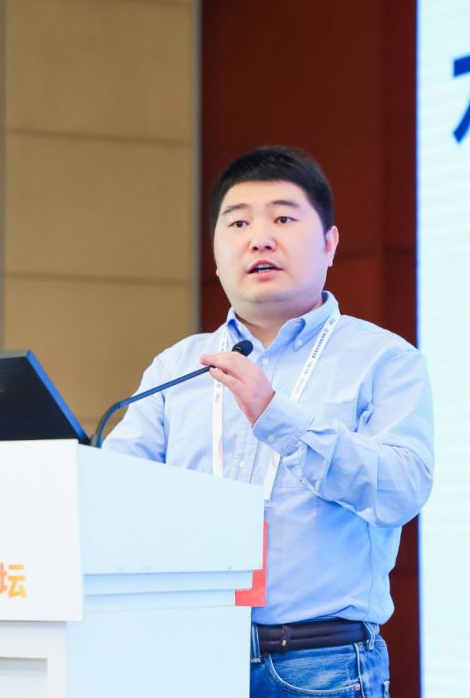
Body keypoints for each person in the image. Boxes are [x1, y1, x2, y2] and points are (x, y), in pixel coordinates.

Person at [104, 146, 433, 698]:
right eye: (238, 223)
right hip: (187, 654)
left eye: (283, 218)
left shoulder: (385, 359)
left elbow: (402, 489)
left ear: (330, 243)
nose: (259, 238)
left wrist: (277, 417)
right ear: (215, 255)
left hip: (321, 663)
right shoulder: (177, 367)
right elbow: (115, 488)